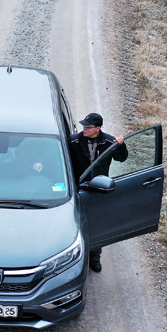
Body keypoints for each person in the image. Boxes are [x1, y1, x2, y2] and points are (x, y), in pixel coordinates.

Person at [68, 112, 127, 273]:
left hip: (98, 189)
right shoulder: (74, 141)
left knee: (97, 223)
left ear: (98, 128)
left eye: (88, 127)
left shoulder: (109, 141)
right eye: (84, 126)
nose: (84, 129)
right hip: (78, 188)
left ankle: (95, 257)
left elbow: (122, 158)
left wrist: (121, 144)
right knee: (75, 223)